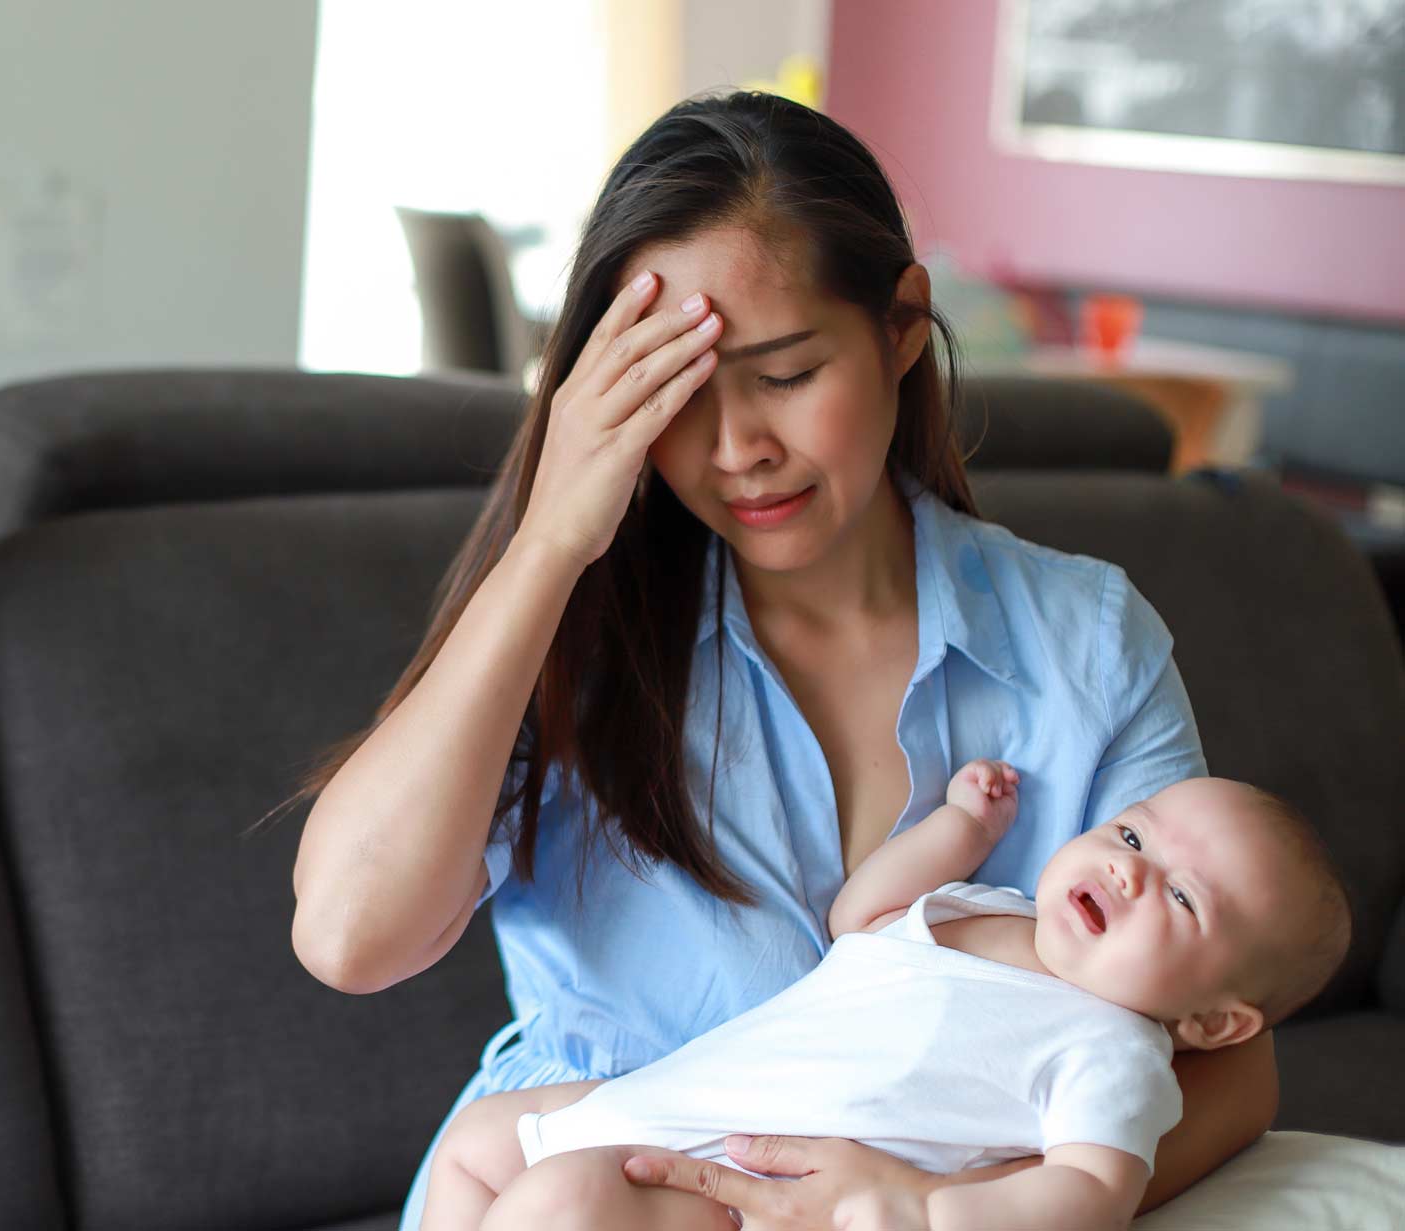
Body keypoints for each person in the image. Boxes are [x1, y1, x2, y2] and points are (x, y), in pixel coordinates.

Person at [289, 89, 1277, 1231]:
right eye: (677, 394)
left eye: (787, 374)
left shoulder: (1083, 640)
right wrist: (550, 540)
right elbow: (350, 937)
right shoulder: (575, 628)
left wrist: (928, 1202)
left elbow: (1229, 1063)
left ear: (901, 328)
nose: (736, 450)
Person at [418, 765, 1352, 1231]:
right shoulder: (987, 905)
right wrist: (962, 827)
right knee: (474, 1140)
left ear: (1214, 1021)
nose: (1129, 872)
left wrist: (926, 1209)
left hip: (749, 1187)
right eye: (1132, 837)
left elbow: (1094, 1194)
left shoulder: (1114, 1049)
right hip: (673, 1101)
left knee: (563, 1201)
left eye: (1182, 897)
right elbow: (861, 916)